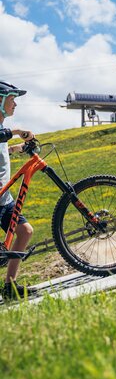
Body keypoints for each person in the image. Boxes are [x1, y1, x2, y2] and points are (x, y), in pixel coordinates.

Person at [0, 81, 37, 299]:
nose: (15, 104)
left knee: (25, 231)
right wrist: (17, 131)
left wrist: (20, 147)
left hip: (3, 197)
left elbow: (4, 148)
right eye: (12, 100)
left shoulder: (2, 130)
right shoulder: (2, 130)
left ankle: (9, 287)